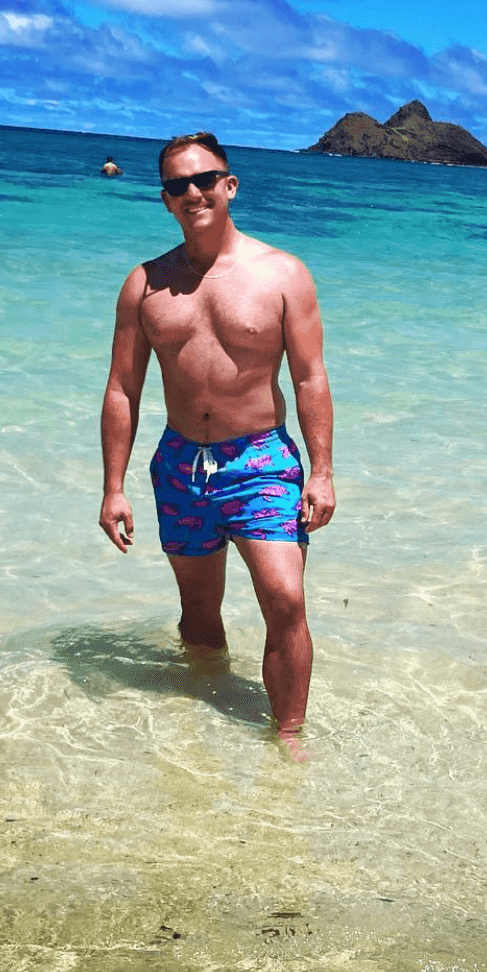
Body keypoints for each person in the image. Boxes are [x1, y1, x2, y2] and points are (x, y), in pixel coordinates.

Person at [98, 131, 335, 745]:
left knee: (284, 599)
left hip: (259, 460)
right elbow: (123, 388)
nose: (193, 192)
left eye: (205, 180)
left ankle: (288, 743)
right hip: (179, 463)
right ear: (165, 200)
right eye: (178, 185)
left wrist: (322, 471)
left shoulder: (282, 274)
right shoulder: (144, 284)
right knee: (199, 614)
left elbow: (310, 379)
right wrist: (113, 487)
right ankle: (201, 714)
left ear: (229, 186)